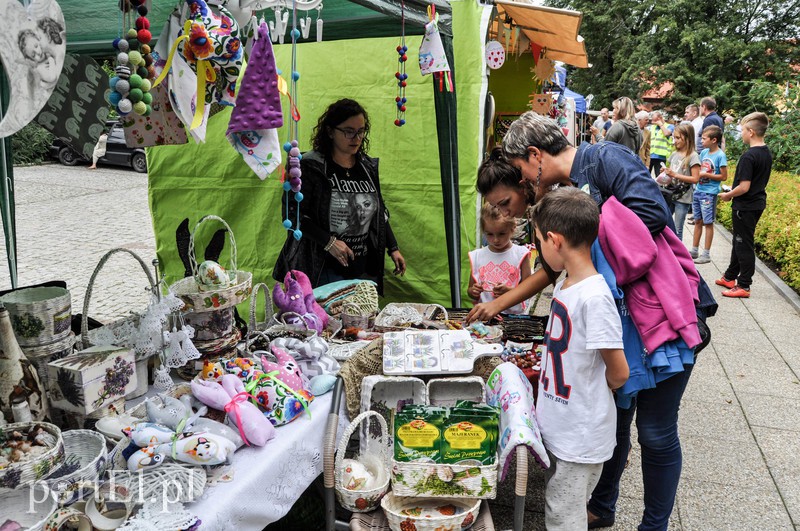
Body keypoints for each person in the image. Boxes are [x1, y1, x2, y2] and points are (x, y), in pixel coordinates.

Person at [468, 112, 717, 531]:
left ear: (535, 155)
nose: (525, 183)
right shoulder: (562, 192)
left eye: (522, 172)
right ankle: (602, 507)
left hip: (660, 319)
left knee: (655, 432)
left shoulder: (602, 157)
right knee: (615, 420)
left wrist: (584, 240)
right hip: (624, 322)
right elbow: (555, 266)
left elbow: (651, 214)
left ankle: (654, 525)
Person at [530, 187, 629, 531]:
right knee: (559, 505)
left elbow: (619, 372)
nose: (540, 247)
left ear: (554, 240)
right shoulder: (565, 284)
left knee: (564, 515)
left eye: (540, 240)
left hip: (580, 433)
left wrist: (590, 391)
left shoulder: (595, 298)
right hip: (562, 423)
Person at [273, 99, 406, 293]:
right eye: (348, 131)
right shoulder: (310, 167)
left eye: (361, 131)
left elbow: (379, 211)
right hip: (321, 268)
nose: (356, 138)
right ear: (330, 132)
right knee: (325, 321)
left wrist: (392, 247)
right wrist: (329, 242)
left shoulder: (367, 167)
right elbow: (293, 215)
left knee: (359, 322)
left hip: (361, 267)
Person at [717, 112, 772, 298]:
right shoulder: (766, 152)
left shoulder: (749, 156)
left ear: (751, 132)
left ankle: (744, 285)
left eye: (742, 131)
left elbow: (744, 186)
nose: (740, 134)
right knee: (739, 240)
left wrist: (728, 195)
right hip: (756, 203)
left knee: (743, 244)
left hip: (745, 206)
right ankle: (730, 276)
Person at [468, 203, 532, 315]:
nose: (496, 240)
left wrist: (510, 292)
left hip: (514, 318)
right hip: (486, 318)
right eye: (490, 234)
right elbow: (470, 290)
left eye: (501, 234)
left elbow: (529, 290)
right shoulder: (477, 256)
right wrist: (474, 291)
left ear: (513, 228)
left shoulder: (521, 254)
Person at [691, 125, 727, 264]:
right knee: (697, 221)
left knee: (708, 223)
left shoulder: (720, 155)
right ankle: (694, 250)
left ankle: (706, 253)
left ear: (714, 140)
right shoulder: (704, 153)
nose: (701, 141)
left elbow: (723, 176)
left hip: (709, 194)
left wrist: (707, 175)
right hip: (699, 190)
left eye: (704, 139)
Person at [662, 124, 700, 241]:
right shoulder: (674, 154)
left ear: (687, 138)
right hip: (670, 194)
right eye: (674, 137)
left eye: (678, 138)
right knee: (664, 223)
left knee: (678, 229)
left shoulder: (693, 156)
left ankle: (678, 257)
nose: (675, 141)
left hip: (683, 198)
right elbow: (672, 172)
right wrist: (665, 172)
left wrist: (675, 174)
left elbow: (695, 178)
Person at [648, 111, 673, 178]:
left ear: (660, 118)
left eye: (655, 121)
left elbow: (666, 133)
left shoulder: (669, 126)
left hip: (661, 157)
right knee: (646, 176)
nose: (653, 123)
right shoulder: (651, 127)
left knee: (659, 177)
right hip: (650, 155)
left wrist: (661, 125)